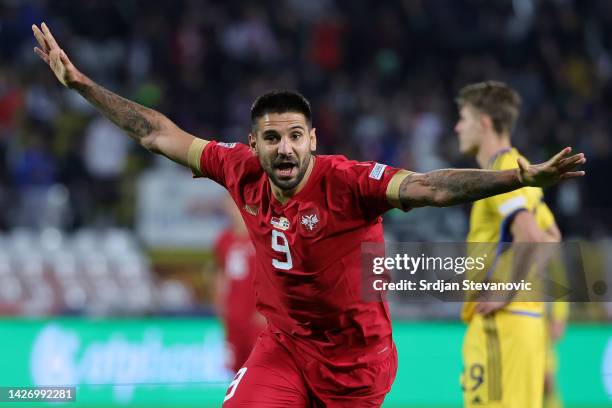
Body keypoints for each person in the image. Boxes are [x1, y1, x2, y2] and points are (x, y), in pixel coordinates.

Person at [32, 23, 586, 407]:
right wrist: (81, 85)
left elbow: (430, 188)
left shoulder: (347, 181)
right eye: (272, 138)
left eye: (296, 137)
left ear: (313, 139)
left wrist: (519, 177)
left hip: (356, 363)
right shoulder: (238, 169)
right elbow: (157, 133)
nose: (285, 149)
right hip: (287, 348)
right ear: (255, 142)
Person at [455, 81, 566, 408]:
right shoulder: (521, 167)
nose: (457, 126)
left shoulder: (503, 171)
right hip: (524, 325)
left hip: (500, 329)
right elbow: (552, 237)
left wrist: (506, 289)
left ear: (484, 122)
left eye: (463, 117)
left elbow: (531, 235)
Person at [214, 196, 266, 373]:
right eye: (231, 203)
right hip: (234, 319)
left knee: (259, 369)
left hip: (258, 319)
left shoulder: (263, 237)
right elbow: (222, 276)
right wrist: (221, 307)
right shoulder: (224, 240)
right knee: (236, 371)